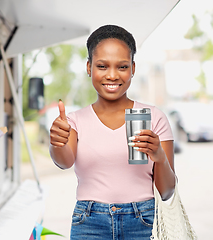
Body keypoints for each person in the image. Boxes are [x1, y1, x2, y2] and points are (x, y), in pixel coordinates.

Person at [49, 25, 176, 239]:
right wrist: (56, 142)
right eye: (102, 66)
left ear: (133, 69)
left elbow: (167, 192)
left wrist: (160, 158)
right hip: (89, 221)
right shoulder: (74, 121)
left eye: (122, 67)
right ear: (89, 67)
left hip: (142, 222)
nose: (112, 75)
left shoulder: (154, 118)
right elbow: (64, 162)